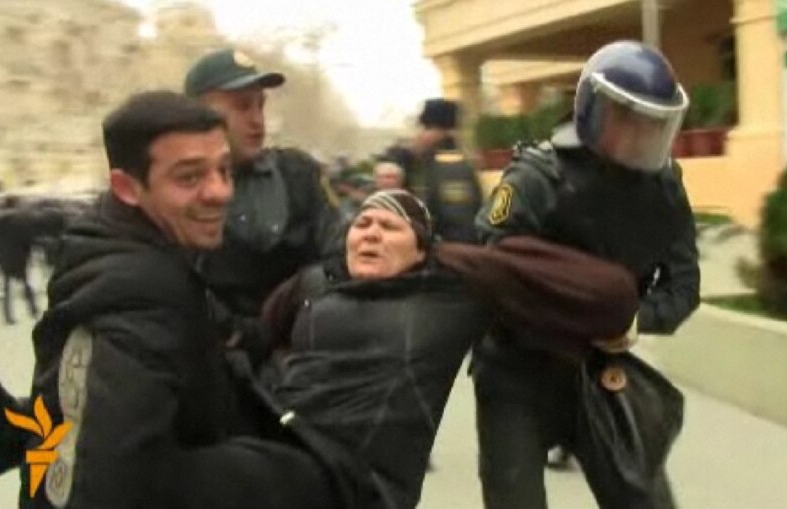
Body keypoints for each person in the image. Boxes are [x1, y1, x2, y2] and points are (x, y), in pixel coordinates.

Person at [10, 91, 340, 508]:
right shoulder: (137, 296)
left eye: (224, 170)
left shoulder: (121, 252)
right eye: (189, 177)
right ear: (127, 187)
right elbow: (111, 483)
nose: (219, 191)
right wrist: (286, 475)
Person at [258, 189, 641, 509]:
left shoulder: (451, 292)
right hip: (278, 451)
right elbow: (259, 336)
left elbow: (602, 292)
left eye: (389, 227)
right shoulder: (312, 285)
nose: (371, 234)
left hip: (361, 485)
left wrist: (459, 257)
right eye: (362, 224)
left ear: (420, 248)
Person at [472, 40, 700, 509]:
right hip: (517, 372)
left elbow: (683, 288)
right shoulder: (536, 179)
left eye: (655, 123)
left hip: (600, 373)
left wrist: (633, 321)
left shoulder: (664, 190)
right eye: (630, 119)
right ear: (594, 113)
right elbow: (491, 270)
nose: (644, 133)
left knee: (645, 499)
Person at [183, 47, 342, 362]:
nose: (257, 120)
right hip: (213, 362)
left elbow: (340, 251)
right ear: (198, 116)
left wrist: (308, 292)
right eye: (242, 107)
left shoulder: (298, 175)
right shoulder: (177, 190)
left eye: (260, 106)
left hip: (303, 359)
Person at [385, 99, 483, 243]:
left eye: (427, 128)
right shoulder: (424, 164)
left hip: (447, 251)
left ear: (446, 132)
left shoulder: (452, 168)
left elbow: (458, 225)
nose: (419, 135)